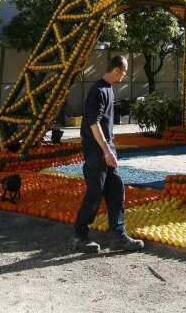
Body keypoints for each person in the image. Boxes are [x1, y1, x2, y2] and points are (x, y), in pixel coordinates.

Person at [73, 55, 144, 254]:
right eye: (123, 72)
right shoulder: (99, 91)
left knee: (116, 190)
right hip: (97, 153)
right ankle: (80, 236)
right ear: (116, 70)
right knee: (94, 193)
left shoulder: (108, 90)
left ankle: (119, 235)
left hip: (106, 152)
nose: (124, 76)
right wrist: (105, 150)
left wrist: (110, 150)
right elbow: (93, 122)